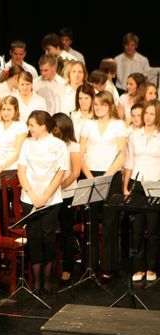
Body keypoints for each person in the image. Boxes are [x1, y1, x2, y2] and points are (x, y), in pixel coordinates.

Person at [17, 110, 68, 294]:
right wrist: (32, 195)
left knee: (48, 236)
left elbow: (60, 173)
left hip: (51, 199)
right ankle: (36, 280)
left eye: (32, 125)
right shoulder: (27, 143)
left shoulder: (59, 145)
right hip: (29, 198)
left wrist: (45, 196)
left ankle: (48, 279)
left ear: (43, 126)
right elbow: (21, 171)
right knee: (34, 236)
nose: (29, 128)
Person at [79, 91, 127, 279]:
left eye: (103, 105)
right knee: (90, 222)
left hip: (111, 176)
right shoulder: (87, 124)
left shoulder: (118, 125)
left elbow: (121, 154)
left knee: (109, 223)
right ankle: (90, 266)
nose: (98, 108)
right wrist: (90, 177)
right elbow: (81, 154)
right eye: (96, 104)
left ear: (110, 106)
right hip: (90, 174)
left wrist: (107, 176)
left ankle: (108, 266)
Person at [123, 100, 160, 282]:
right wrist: (125, 187)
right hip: (137, 185)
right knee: (136, 229)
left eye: (152, 113)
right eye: (146, 113)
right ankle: (138, 268)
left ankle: (151, 267)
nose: (148, 117)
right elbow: (129, 162)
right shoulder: (134, 135)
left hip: (155, 185)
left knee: (153, 230)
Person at [52, 113, 82, 285]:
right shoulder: (51, 144)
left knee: (66, 231)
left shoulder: (73, 146)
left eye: (56, 128)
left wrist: (58, 187)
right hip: (51, 195)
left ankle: (67, 268)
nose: (54, 131)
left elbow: (75, 173)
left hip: (67, 194)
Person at [0, 95, 28, 176]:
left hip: (13, 169)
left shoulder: (21, 126)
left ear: (15, 110)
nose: (5, 112)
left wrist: (1, 168)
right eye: (3, 109)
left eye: (9, 109)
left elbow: (17, 153)